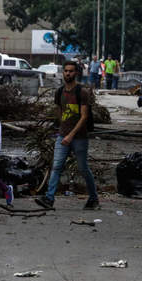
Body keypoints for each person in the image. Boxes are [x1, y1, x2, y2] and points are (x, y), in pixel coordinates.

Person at [35, 60, 100, 210]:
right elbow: (60, 111)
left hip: (79, 137)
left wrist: (71, 135)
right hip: (62, 135)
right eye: (66, 71)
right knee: (56, 166)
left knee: (83, 168)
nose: (68, 73)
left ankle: (93, 198)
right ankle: (49, 199)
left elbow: (84, 117)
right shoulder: (59, 92)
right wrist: (61, 129)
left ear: (76, 73)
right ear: (63, 73)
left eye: (71, 71)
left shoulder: (81, 92)